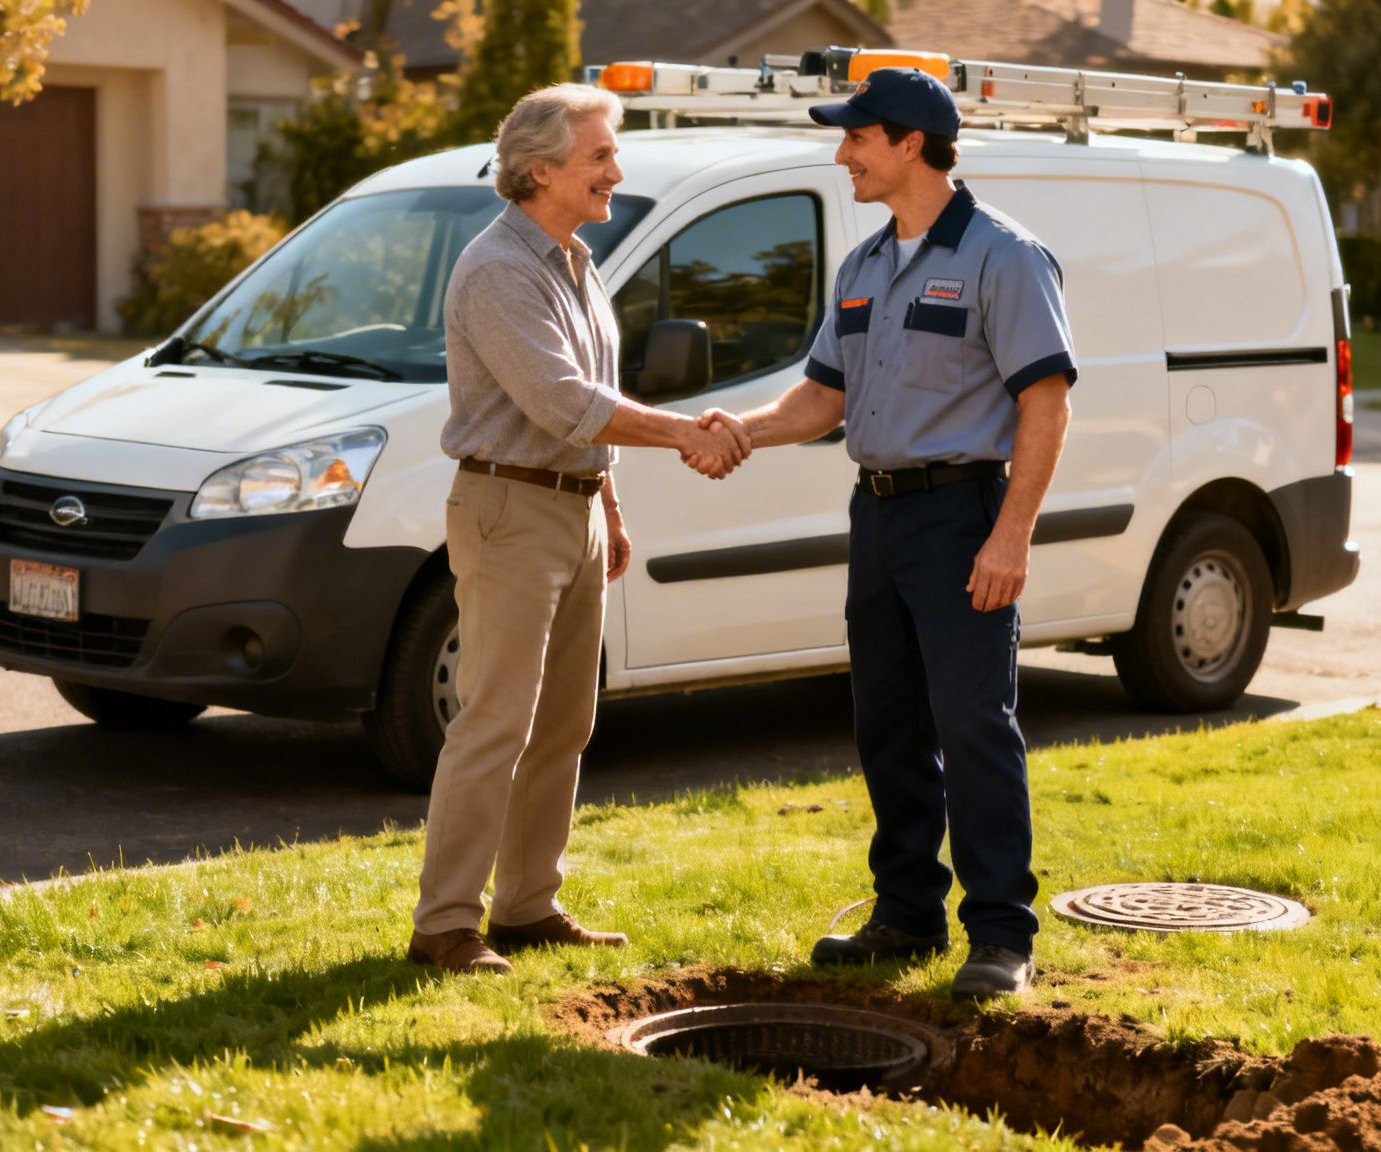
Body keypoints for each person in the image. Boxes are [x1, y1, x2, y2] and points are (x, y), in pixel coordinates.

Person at [711, 67, 1076, 999]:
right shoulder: (863, 266)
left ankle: (1001, 936)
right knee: (889, 723)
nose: (843, 155)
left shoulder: (1004, 256)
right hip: (876, 515)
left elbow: (1045, 404)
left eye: (857, 138)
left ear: (912, 144)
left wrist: (1012, 536)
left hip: (962, 515)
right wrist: (740, 431)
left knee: (973, 725)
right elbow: (822, 398)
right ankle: (907, 913)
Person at [407, 83, 750, 976]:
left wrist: (610, 505)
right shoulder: (498, 270)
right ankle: (444, 925)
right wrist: (686, 432)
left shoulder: (574, 260)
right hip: (510, 510)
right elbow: (563, 401)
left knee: (564, 721)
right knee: (495, 722)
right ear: (539, 169)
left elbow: (588, 400)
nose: (615, 172)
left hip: (573, 506)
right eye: (600, 156)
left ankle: (527, 907)